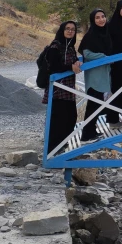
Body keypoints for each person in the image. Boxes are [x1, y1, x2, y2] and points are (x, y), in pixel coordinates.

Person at [43, 20, 81, 153]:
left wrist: (76, 62)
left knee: (71, 118)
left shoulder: (70, 47)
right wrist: (70, 67)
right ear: (62, 30)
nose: (70, 31)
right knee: (57, 121)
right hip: (58, 89)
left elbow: (73, 62)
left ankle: (60, 146)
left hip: (68, 89)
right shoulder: (55, 47)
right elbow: (53, 67)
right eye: (67, 28)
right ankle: (52, 150)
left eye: (73, 29)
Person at [78, 9, 114, 141]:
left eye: (103, 16)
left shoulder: (105, 34)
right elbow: (86, 53)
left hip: (103, 73)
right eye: (97, 17)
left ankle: (92, 131)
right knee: (93, 105)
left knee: (97, 104)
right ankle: (86, 135)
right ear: (93, 20)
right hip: (94, 75)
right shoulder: (90, 35)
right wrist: (104, 57)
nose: (101, 19)